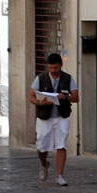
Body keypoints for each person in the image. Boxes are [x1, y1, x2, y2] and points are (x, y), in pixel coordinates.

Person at [31, 49, 78, 185]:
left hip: (62, 116)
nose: (53, 70)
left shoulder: (68, 78)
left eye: (56, 67)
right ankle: (44, 164)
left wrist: (66, 97)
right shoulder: (40, 78)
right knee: (41, 145)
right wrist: (40, 102)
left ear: (61, 65)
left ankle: (59, 175)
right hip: (45, 116)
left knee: (61, 145)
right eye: (51, 68)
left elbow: (76, 97)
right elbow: (31, 96)